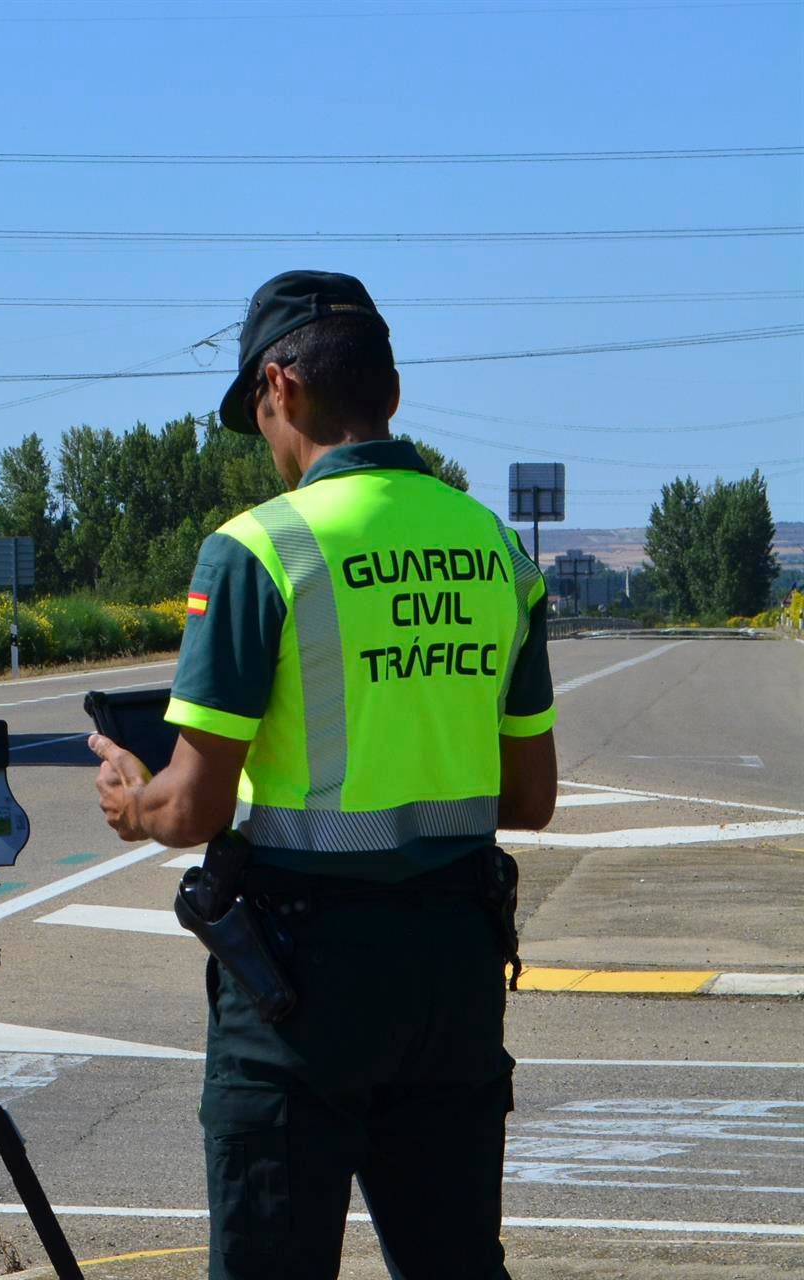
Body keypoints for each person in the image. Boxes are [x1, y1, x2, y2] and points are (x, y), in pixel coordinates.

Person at [89, 270, 557, 1279]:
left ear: (280, 386)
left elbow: (194, 803)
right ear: (387, 390)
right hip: (454, 972)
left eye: (258, 412)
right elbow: (531, 796)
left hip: (299, 984)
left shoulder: (259, 549)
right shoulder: (494, 548)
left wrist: (135, 796)